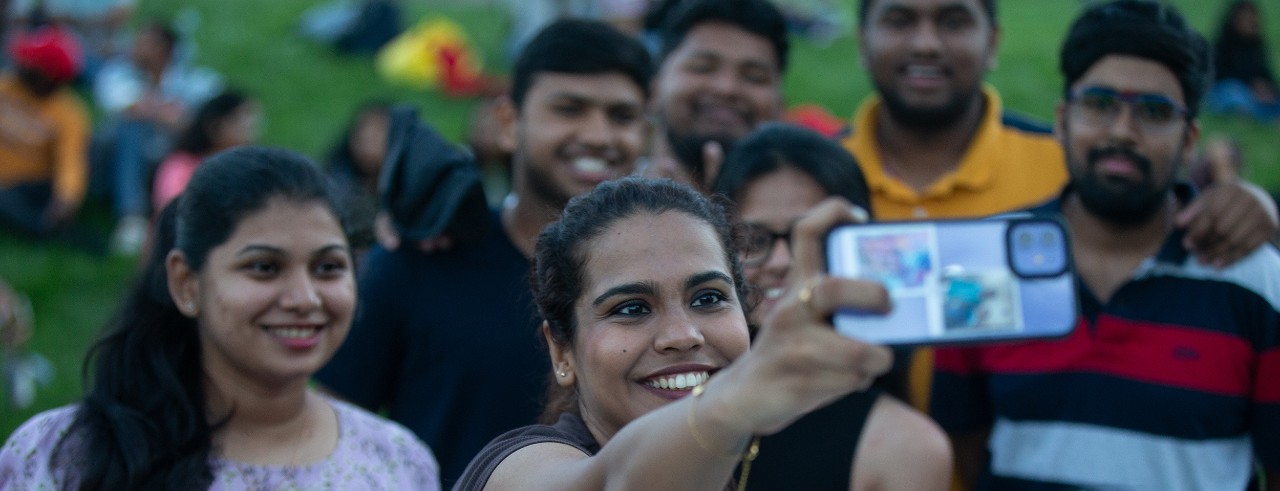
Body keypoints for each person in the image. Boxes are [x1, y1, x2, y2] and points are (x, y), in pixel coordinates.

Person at [844, 0, 1280, 412]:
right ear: (861, 41)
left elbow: (1168, 204)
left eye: (954, 21)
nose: (926, 43)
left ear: (993, 41)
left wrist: (1256, 207)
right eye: (900, 20)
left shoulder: (1079, 169)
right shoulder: (816, 183)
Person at [932, 2, 1279, 488]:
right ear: (1061, 120)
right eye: (1099, 103)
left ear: (1189, 140)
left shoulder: (1254, 277)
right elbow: (964, 442)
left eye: (1155, 113)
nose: (1121, 131)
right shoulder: (985, 259)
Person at [314, 19, 651, 485]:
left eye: (621, 116)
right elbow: (331, 429)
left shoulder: (666, 281)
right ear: (509, 123)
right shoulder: (421, 258)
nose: (597, 135)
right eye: (569, 109)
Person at [0, 147, 440, 489]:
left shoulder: (396, 463)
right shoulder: (63, 455)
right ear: (187, 283)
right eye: (264, 267)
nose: (305, 298)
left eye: (328, 268)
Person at [455, 176, 899, 490]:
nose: (683, 334)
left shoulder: (740, 465)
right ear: (562, 352)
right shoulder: (519, 468)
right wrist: (739, 398)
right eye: (631, 308)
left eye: (708, 299)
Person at [710, 123, 951, 490]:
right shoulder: (670, 404)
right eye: (753, 239)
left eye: (811, 238)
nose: (780, 261)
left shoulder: (908, 448)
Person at [92, 21, 221, 255]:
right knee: (131, 129)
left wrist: (175, 118)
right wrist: (166, 113)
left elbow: (210, 118)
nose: (135, 47)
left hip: (160, 159)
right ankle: (131, 215)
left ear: (166, 49)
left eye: (144, 42)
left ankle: (136, 218)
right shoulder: (117, 73)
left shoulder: (192, 81)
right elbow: (128, 107)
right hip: (107, 165)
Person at [639, 0, 787, 192]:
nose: (726, 88)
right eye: (703, 68)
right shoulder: (597, 195)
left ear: (781, 105)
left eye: (754, 77)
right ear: (655, 89)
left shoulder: (810, 212)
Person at [0, 25, 90, 240]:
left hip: (25, 184)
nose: (19, 64)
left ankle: (47, 230)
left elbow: (71, 163)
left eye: (28, 63)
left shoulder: (68, 114)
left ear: (46, 77)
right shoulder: (6, 87)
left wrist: (65, 200)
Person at [151, 90, 261, 212]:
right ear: (217, 125)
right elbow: (171, 209)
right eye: (242, 119)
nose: (249, 127)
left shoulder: (250, 168)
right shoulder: (182, 165)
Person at [1207, 0, 1280, 124]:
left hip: (1256, 96)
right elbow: (1220, 74)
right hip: (1231, 91)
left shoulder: (1256, 45)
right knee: (1234, 92)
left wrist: (1267, 88)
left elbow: (1265, 72)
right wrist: (1251, 86)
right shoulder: (1223, 44)